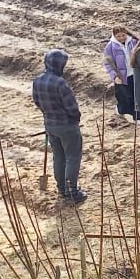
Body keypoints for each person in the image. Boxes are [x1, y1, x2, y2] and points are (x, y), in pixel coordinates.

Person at [32, 49, 88, 205]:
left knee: (59, 156)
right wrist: (75, 119)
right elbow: (72, 107)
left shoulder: (38, 80)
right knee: (72, 157)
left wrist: (48, 114)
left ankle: (62, 188)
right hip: (67, 125)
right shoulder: (60, 83)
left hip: (50, 124)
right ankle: (72, 192)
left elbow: (37, 101)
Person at [103, 27, 139, 124]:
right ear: (114, 36)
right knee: (123, 96)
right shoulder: (110, 47)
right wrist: (114, 76)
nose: (122, 38)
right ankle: (124, 113)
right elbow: (107, 63)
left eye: (123, 35)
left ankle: (137, 115)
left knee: (135, 94)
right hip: (121, 76)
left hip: (134, 73)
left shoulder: (134, 42)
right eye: (118, 36)